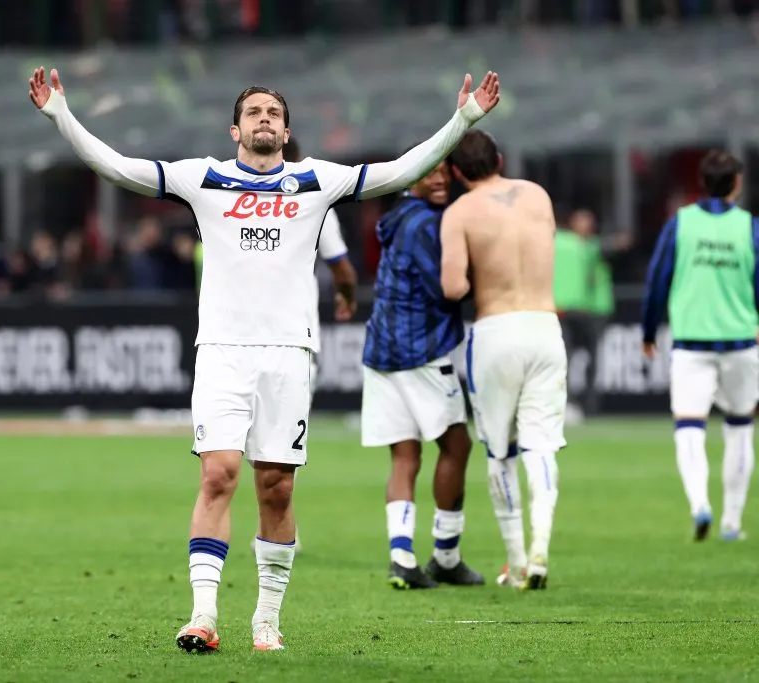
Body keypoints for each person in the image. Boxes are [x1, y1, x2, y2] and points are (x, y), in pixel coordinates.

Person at [29, 66, 500, 651]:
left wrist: (463, 119)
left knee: (276, 487)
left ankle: (266, 621)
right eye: (253, 112)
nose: (264, 119)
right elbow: (119, 167)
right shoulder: (204, 178)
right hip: (222, 351)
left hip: (288, 353)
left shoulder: (315, 180)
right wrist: (61, 115)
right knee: (218, 474)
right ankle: (202, 616)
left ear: (286, 131)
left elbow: (398, 171)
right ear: (235, 130)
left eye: (274, 113)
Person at [440, 130, 565, 591]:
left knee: (500, 451)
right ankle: (541, 549)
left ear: (456, 173)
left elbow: (453, 287)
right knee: (541, 446)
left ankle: (516, 562)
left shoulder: (459, 212)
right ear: (500, 159)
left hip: (496, 331)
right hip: (545, 326)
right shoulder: (537, 195)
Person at [361, 160, 484, 590]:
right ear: (410, 177)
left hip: (381, 349)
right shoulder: (429, 223)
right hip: (421, 348)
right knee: (457, 445)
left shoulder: (399, 217)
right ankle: (446, 555)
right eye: (429, 172)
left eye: (444, 172)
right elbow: (446, 287)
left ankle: (401, 557)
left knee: (405, 455)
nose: (439, 179)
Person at [247, 136, 359, 553]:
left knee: (251, 456)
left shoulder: (238, 198)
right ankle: (273, 527)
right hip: (292, 339)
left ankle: (271, 530)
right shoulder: (313, 197)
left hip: (246, 337)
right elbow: (340, 265)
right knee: (275, 455)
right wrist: (347, 296)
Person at [641, 150, 758, 543]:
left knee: (689, 427)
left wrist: (648, 331)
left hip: (691, 343)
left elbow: (657, 279)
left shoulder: (681, 224)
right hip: (741, 341)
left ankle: (699, 504)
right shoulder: (750, 227)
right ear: (736, 184)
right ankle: (732, 523)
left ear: (703, 183)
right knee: (740, 429)